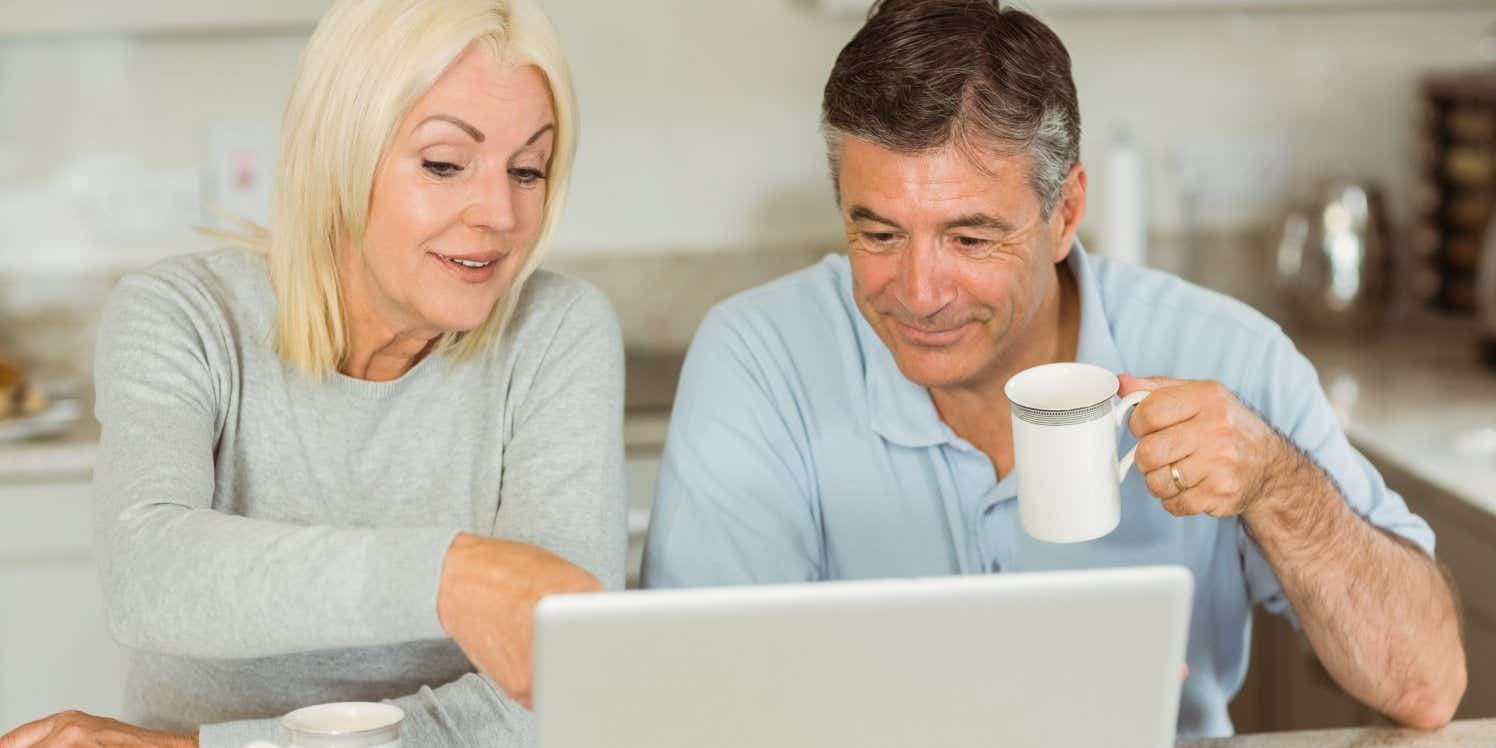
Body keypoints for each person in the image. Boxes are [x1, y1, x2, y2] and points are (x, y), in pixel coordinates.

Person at [641, 0, 1465, 737]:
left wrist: (1278, 486)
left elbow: (1427, 685)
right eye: (879, 235)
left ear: (1065, 211)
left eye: (970, 238)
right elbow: (690, 713)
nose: (919, 293)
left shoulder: (1229, 355)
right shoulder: (758, 359)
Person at [0, 0, 623, 746]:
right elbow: (149, 574)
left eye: (528, 170)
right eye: (444, 163)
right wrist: (448, 577)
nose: (500, 212)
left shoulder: (557, 332)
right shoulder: (185, 316)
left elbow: (556, 694)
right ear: (338, 155)